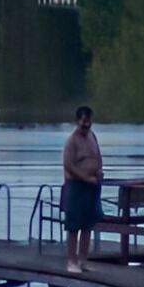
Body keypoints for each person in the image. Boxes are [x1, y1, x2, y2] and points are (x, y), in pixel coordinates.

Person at [60, 105, 105, 259]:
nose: (86, 124)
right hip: (76, 187)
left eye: (89, 121)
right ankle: (72, 261)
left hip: (92, 187)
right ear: (77, 121)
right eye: (84, 121)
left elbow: (98, 156)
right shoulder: (72, 141)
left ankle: (83, 260)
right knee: (74, 226)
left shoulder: (92, 136)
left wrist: (99, 171)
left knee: (88, 225)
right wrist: (85, 178)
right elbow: (68, 165)